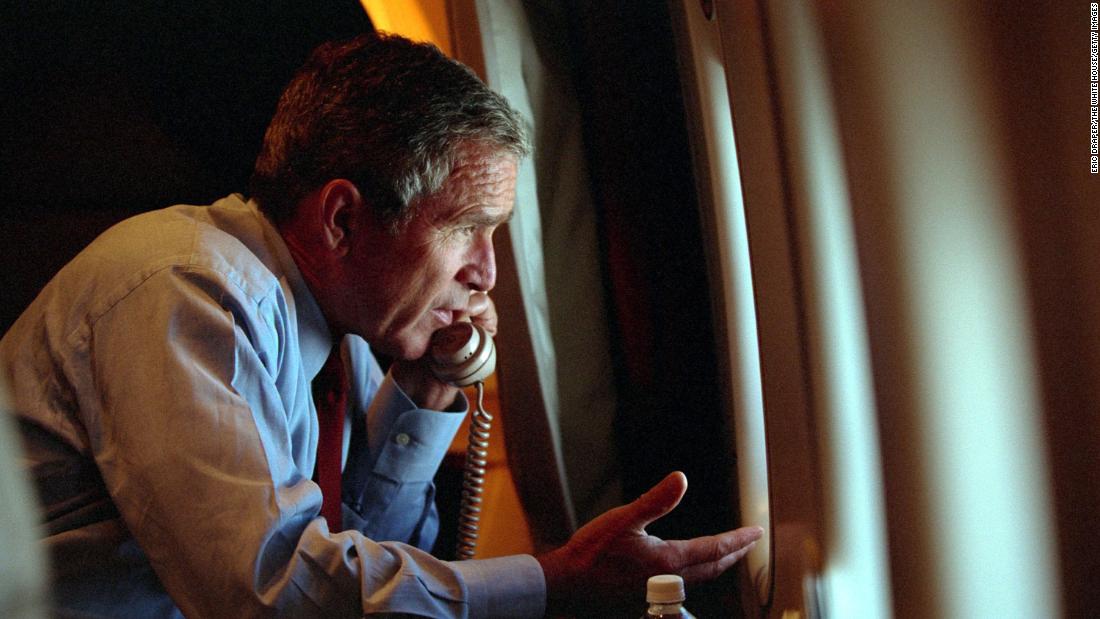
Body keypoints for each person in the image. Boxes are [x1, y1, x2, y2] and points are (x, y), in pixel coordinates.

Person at [0, 33, 762, 617]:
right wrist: (556, 580)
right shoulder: (184, 288)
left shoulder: (347, 339)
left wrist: (428, 384)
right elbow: (271, 591)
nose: (486, 273)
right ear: (341, 220)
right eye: (468, 229)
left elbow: (375, 556)